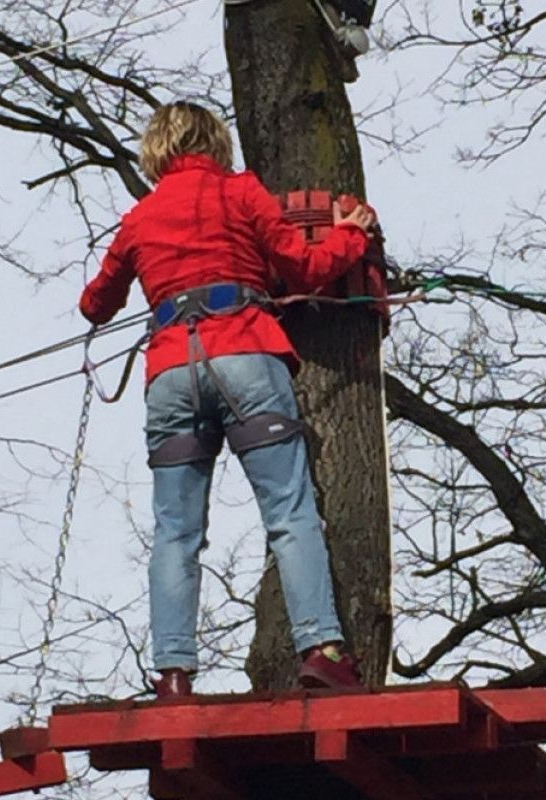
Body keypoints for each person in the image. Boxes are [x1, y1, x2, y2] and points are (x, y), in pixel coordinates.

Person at [79, 102, 375, 698]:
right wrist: (352, 236)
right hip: (244, 350)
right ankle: (321, 648)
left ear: (157, 150)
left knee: (176, 531)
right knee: (289, 514)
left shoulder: (140, 218)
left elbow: (94, 305)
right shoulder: (241, 194)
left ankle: (172, 674)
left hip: (169, 373)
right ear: (216, 143)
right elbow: (307, 266)